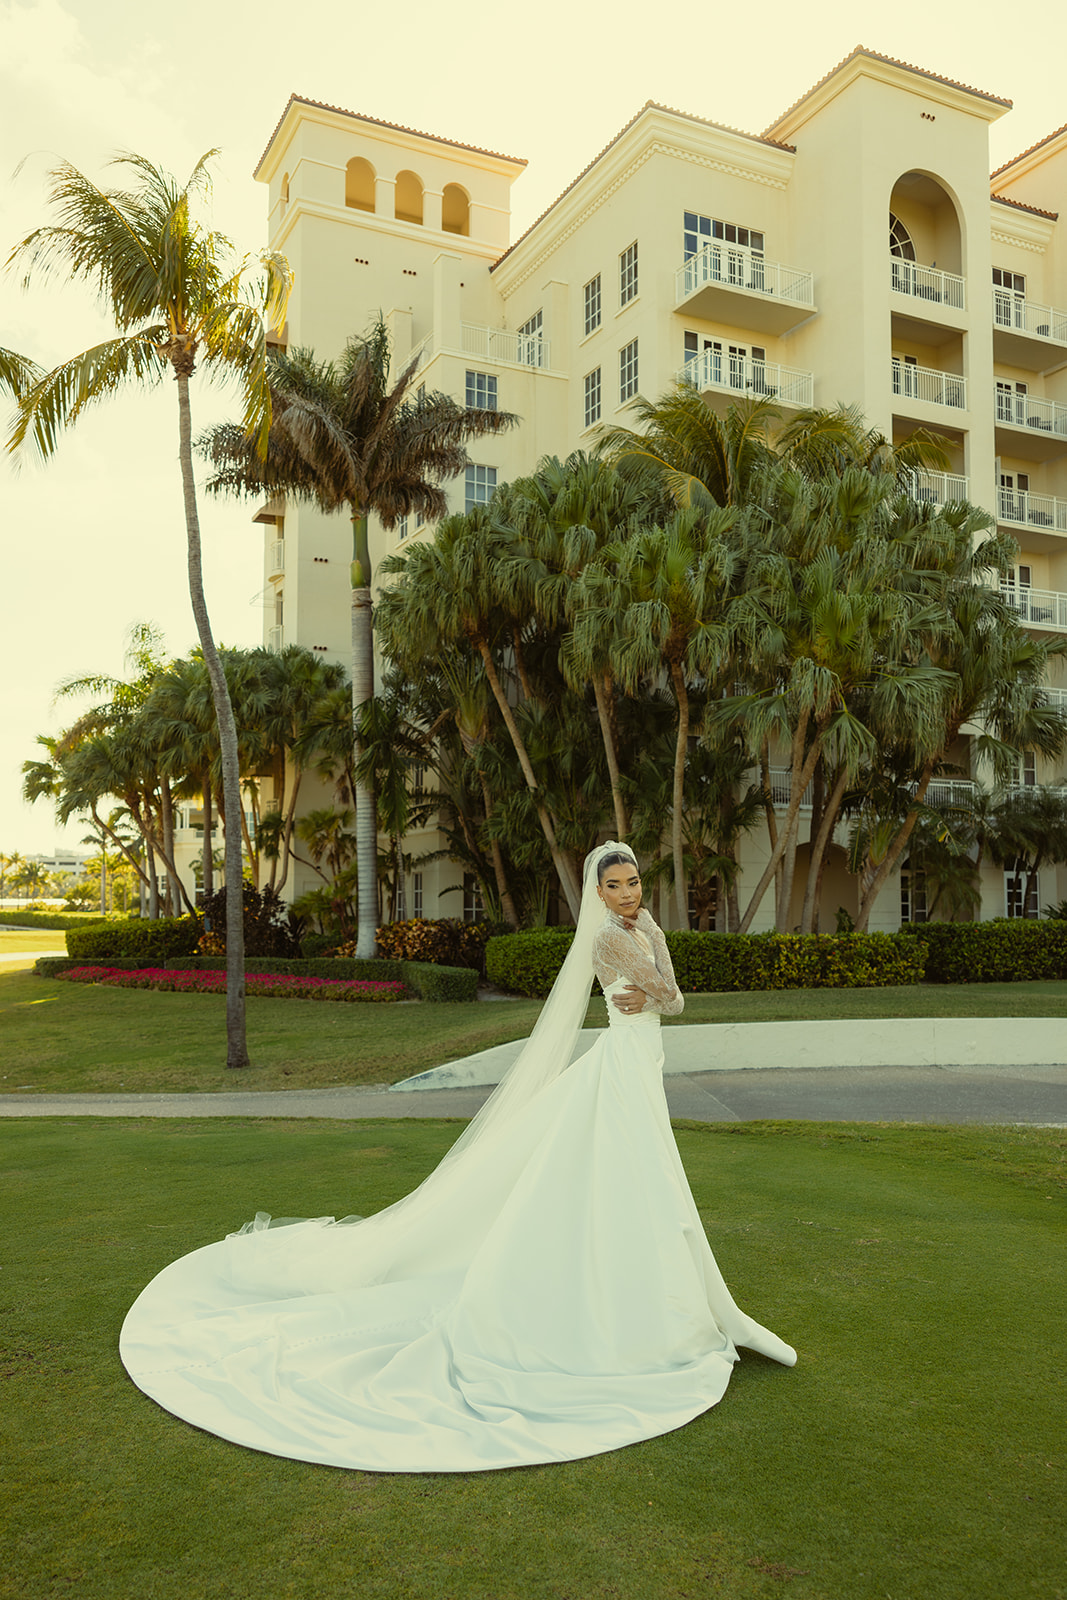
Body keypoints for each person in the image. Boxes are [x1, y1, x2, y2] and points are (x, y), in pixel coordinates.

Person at [120, 841, 796, 1473]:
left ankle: (645, 1293)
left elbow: (671, 997)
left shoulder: (644, 925)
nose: (626, 893)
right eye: (613, 885)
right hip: (621, 1063)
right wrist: (657, 986)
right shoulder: (607, 939)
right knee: (624, 1177)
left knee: (640, 1180)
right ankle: (617, 1304)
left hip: (642, 1060)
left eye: (633, 882)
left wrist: (658, 981)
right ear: (595, 892)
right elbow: (670, 996)